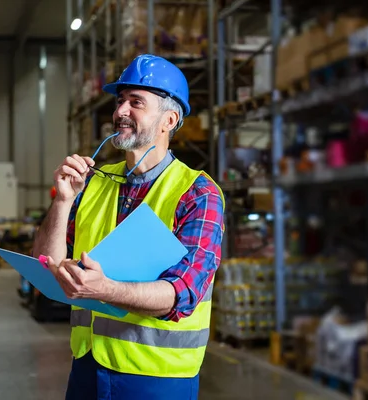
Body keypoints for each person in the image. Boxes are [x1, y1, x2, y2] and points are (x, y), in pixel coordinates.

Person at [32, 54, 225, 399]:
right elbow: (47, 267)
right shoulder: (93, 185)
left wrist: (103, 289)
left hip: (157, 378)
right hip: (87, 367)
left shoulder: (197, 193)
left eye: (136, 102)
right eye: (120, 100)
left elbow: (182, 293)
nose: (120, 111)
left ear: (169, 119)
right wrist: (62, 201)